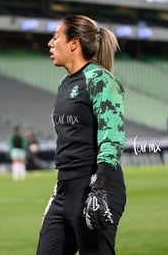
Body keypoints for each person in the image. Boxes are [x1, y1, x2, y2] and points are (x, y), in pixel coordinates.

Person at [36, 14, 126, 255]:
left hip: (96, 187)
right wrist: (58, 193)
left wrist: (99, 189)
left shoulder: (100, 79)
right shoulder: (65, 84)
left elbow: (112, 136)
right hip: (65, 190)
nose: (50, 43)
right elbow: (68, 144)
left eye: (56, 37)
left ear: (74, 43)